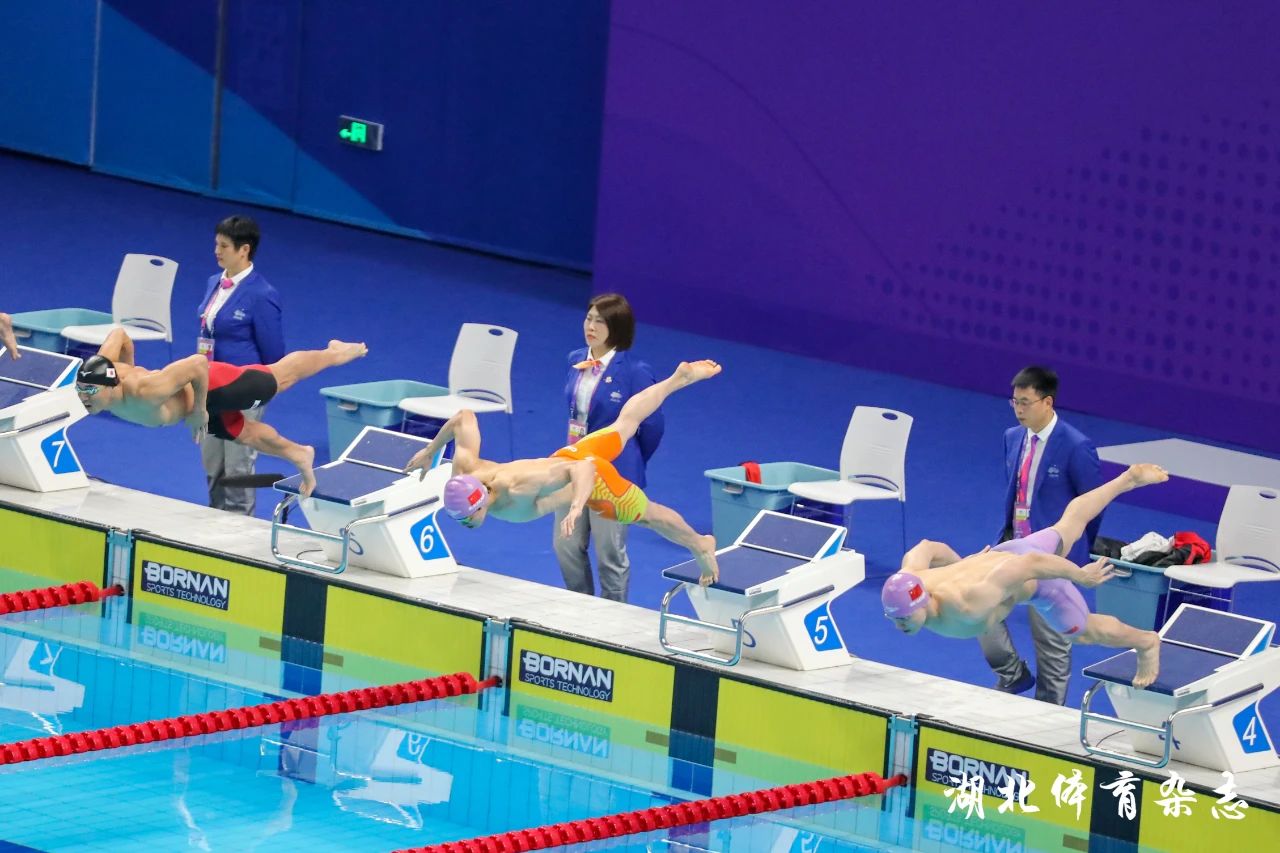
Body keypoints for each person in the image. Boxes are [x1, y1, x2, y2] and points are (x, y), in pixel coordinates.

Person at [405, 360, 722, 584]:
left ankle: (700, 543)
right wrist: (430, 452)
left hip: (591, 478)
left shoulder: (519, 487)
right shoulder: (464, 471)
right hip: (568, 457)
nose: (465, 524)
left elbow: (583, 469)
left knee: (648, 516)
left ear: (481, 501)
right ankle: (677, 379)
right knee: (625, 424)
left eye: (467, 518)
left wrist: (577, 507)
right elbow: (464, 417)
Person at [882, 463, 1168, 690]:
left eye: (903, 618)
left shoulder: (970, 602)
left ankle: (1145, 642)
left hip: (1038, 580)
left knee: (1082, 632)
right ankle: (1128, 479)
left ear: (922, 601)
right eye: (894, 618)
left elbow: (1031, 564)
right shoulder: (910, 574)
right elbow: (928, 547)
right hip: (1007, 556)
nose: (898, 626)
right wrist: (964, 565)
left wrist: (1080, 576)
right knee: (1070, 524)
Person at [73, 327, 367, 497]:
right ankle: (300, 454)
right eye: (81, 391)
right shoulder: (101, 367)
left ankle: (335, 353)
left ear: (110, 385)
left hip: (213, 386)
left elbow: (197, 364)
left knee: (279, 378)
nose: (84, 398)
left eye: (90, 392)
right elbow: (119, 334)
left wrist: (199, 411)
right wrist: (128, 364)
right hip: (191, 408)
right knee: (245, 435)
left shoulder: (147, 390)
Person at [982, 366, 1103, 703]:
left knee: (1052, 644)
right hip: (1013, 548)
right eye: (1014, 402)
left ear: (1047, 402)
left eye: (1025, 402)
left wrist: (1073, 554)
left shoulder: (1076, 447)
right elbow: (1016, 494)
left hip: (1051, 557)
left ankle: (1049, 713)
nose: (1018, 409)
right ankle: (1012, 673)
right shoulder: (1012, 437)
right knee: (980, 609)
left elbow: (1092, 505)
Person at [555, 293, 664, 602]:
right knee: (565, 545)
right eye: (589, 318)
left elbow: (652, 426)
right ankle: (580, 605)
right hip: (573, 465)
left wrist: (631, 460)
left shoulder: (635, 372)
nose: (591, 326)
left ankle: (613, 615)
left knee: (609, 553)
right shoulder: (575, 358)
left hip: (613, 472)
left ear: (617, 327)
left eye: (600, 322)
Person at [197, 216, 285, 514]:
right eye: (216, 244)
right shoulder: (213, 282)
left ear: (244, 249)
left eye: (224, 246)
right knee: (213, 465)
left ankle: (240, 532)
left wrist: (258, 394)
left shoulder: (262, 295)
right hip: (211, 388)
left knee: (238, 469)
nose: (216, 251)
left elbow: (274, 354)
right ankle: (213, 524)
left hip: (243, 392)